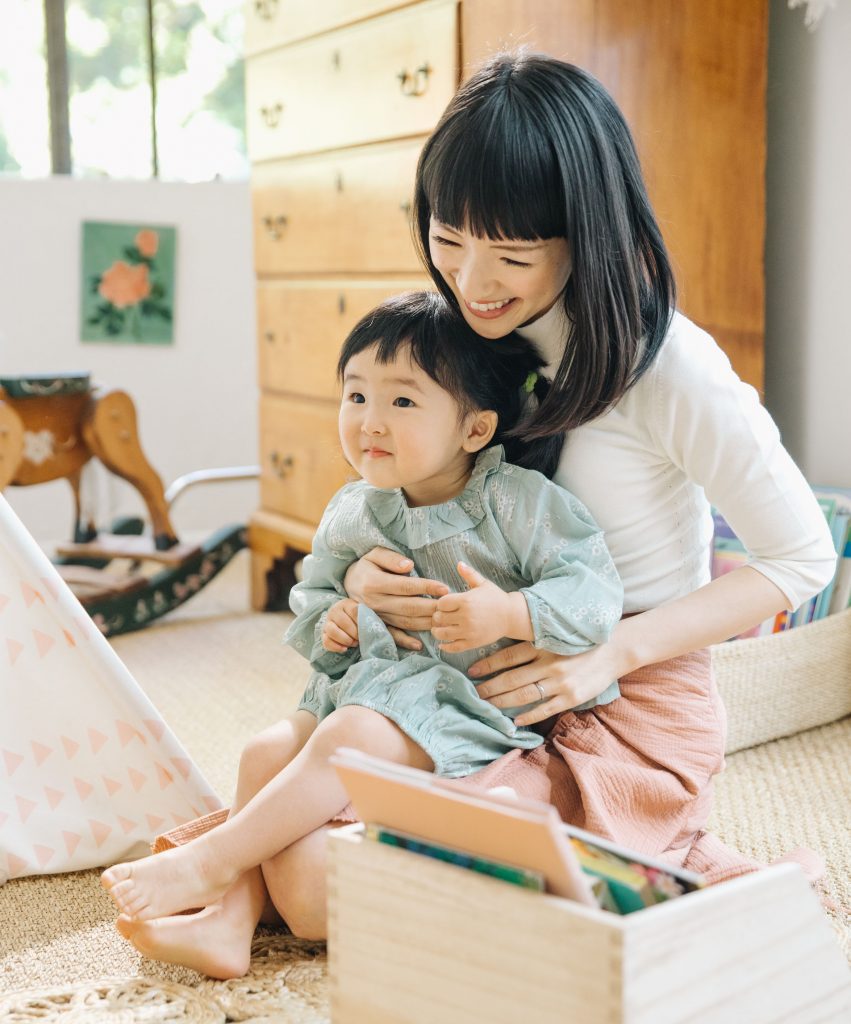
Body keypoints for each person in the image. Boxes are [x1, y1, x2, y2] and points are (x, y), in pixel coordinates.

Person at [109, 49, 835, 975]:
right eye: (449, 238)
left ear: (588, 234)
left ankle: (707, 881)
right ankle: (233, 902)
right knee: (282, 787)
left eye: (513, 254)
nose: (473, 277)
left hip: (617, 706)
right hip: (467, 683)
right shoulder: (466, 328)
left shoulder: (670, 369)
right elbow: (418, 475)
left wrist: (606, 652)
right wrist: (372, 569)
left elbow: (799, 558)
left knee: (320, 887)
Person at [102, 289, 623, 976]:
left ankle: (213, 860)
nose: (369, 422)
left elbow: (592, 590)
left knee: (347, 739)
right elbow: (312, 602)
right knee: (264, 754)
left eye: (402, 402)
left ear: (473, 429)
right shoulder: (354, 510)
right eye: (355, 397)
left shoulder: (514, 503)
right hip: (361, 690)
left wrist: (510, 613)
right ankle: (228, 921)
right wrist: (337, 619)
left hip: (459, 706)